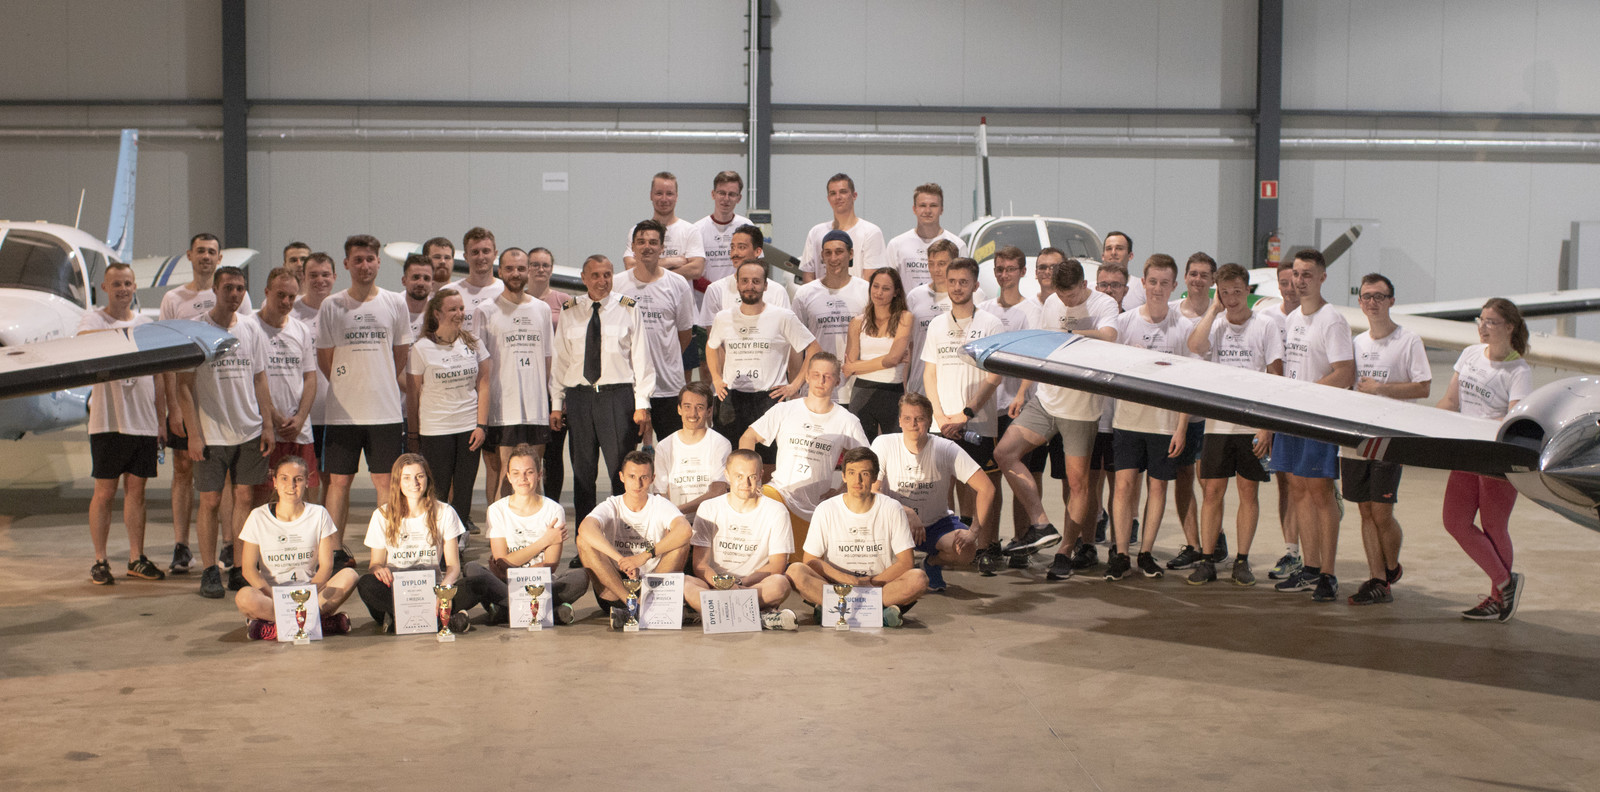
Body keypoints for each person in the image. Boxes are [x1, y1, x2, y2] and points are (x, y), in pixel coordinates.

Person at [995, 257, 1121, 580]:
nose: (1066, 300)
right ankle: (1041, 523)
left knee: (1078, 483)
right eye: (1061, 295)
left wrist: (1071, 332)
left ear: (1084, 285)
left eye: (1072, 295)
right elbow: (1042, 348)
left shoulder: (1104, 303)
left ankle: (1065, 551)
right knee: (1004, 452)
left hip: (1081, 410)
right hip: (1047, 399)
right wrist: (1023, 390)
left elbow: (1109, 336)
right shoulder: (1052, 302)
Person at [175, 266, 276, 598]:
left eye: (240, 288)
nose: (235, 294)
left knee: (245, 498)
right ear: (215, 290)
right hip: (210, 433)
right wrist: (193, 434)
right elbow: (183, 385)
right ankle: (209, 570)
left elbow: (259, 378)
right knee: (211, 500)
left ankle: (239, 568)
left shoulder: (251, 328)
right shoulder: (196, 330)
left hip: (248, 430)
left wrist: (267, 424)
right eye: (229, 287)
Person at [159, 232, 254, 575]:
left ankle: (229, 543)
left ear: (219, 257)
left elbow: (244, 346)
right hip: (189, 402)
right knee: (183, 469)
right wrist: (174, 407)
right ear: (189, 255)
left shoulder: (238, 297)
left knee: (225, 480)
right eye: (200, 251)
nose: (205, 256)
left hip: (222, 408)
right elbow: (169, 358)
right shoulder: (173, 299)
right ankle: (181, 544)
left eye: (211, 251)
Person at [1184, 263, 1283, 586]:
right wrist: (1214, 309)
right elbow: (1195, 346)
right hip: (1218, 423)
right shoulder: (1214, 324)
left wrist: (1267, 426)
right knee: (1212, 491)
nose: (1231, 298)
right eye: (1225, 293)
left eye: (1237, 291)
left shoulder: (1265, 325)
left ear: (1247, 291)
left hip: (1251, 423)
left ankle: (1242, 559)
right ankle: (1207, 559)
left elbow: (1276, 376)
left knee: (1247, 491)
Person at [317, 234, 412, 564]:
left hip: (385, 412)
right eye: (357, 259)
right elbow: (325, 358)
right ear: (346, 264)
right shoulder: (332, 305)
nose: (364, 265)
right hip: (342, 413)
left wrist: (378, 379)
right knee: (339, 482)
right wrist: (350, 382)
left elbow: (400, 354)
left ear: (378, 262)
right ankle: (334, 552)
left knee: (385, 482)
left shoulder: (395, 302)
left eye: (370, 259)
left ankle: (382, 553)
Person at [1437, 298, 1532, 622]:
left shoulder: (1519, 371)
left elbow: (1512, 421)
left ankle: (1497, 598)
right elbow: (1450, 401)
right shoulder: (1470, 354)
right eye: (1481, 320)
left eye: (1491, 322)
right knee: (1454, 521)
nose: (1483, 327)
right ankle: (1506, 582)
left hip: (1494, 458)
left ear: (1509, 327)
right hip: (1465, 452)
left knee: (1493, 527)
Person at [1102, 254, 1194, 581]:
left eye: (1164, 283)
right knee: (1124, 486)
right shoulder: (1125, 323)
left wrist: (1181, 428)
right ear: (1143, 283)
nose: (1157, 288)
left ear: (1174, 285)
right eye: (1152, 282)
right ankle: (1120, 553)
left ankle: (1146, 552)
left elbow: (1188, 383)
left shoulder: (1184, 328)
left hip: (1164, 424)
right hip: (1128, 420)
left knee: (1158, 488)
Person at [1340, 274, 1431, 604]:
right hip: (1357, 436)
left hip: (1390, 436)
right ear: (1360, 302)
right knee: (1364, 511)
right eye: (1367, 296)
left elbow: (1423, 387)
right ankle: (1378, 579)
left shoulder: (1408, 341)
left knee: (1381, 512)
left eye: (1380, 296)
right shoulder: (1356, 343)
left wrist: (1381, 389)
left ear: (1392, 301)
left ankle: (1391, 567)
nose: (1372, 302)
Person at [1271, 249, 1356, 602]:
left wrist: (1306, 393)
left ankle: (1328, 573)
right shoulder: (1292, 319)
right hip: (1292, 417)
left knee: (1320, 492)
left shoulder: (1331, 320)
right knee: (1298, 489)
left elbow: (1345, 373)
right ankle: (1309, 567)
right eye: (1296, 274)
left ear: (1322, 277)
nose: (1300, 280)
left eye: (1308, 274)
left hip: (1318, 418)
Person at [79, 262, 167, 585]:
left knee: (137, 491)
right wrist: (126, 336)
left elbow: (159, 376)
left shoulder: (147, 324)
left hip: (143, 422)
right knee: (104, 491)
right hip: (108, 421)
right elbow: (83, 342)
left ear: (134, 287)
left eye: (128, 283)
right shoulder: (94, 320)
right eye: (116, 284)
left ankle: (136, 558)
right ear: (105, 287)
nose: (123, 289)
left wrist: (161, 420)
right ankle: (100, 560)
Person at [549, 255, 655, 524]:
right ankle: (585, 536)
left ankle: (623, 532)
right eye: (595, 275)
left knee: (622, 472)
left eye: (607, 274)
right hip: (580, 398)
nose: (602, 280)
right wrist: (557, 405)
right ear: (583, 278)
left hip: (617, 398)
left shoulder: (628, 308)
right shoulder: (570, 310)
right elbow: (560, 360)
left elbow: (641, 358)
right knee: (583, 474)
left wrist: (642, 403)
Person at [741, 353, 869, 559]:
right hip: (779, 494)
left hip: (814, 508)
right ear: (807, 377)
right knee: (763, 554)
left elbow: (866, 461)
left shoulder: (847, 421)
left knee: (800, 568)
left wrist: (842, 490)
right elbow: (748, 437)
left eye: (827, 376)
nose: (821, 381)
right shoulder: (785, 410)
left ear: (837, 381)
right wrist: (752, 478)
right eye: (816, 374)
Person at [786, 447, 927, 628]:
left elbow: (906, 562)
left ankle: (834, 610)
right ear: (843, 476)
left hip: (877, 586)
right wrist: (848, 580)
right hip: (836, 585)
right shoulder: (826, 509)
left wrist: (870, 583)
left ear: (874, 477)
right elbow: (810, 560)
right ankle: (880, 614)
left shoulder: (892, 508)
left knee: (918, 579)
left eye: (864, 474)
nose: (857, 480)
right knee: (795, 571)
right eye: (852, 473)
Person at [921, 256, 1004, 556]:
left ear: (975, 285)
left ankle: (986, 547)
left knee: (980, 486)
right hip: (942, 423)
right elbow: (929, 373)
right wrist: (939, 416)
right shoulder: (936, 325)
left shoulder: (991, 323)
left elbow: (995, 375)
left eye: (964, 282)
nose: (957, 287)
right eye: (952, 282)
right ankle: (949, 546)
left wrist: (966, 414)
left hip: (977, 422)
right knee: (941, 487)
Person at [871, 393, 991, 592]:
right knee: (899, 573)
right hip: (895, 523)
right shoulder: (884, 444)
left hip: (935, 523)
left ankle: (931, 563)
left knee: (966, 551)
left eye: (919, 418)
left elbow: (986, 488)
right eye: (907, 418)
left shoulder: (946, 448)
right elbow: (872, 492)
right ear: (899, 421)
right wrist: (906, 511)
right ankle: (896, 563)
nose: (913, 424)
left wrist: (974, 531)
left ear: (929, 421)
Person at [355, 454, 484, 633]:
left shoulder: (445, 512)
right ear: (397, 482)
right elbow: (375, 564)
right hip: (396, 592)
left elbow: (453, 566)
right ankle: (442, 619)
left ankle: (399, 619)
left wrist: (444, 590)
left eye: (419, 476)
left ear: (428, 479)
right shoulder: (382, 515)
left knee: (477, 584)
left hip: (432, 589)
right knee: (366, 584)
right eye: (406, 478)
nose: (414, 483)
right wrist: (378, 570)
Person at [235, 456, 358, 640]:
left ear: (307, 482)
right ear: (275, 482)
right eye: (284, 478)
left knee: (350, 576)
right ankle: (319, 623)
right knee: (244, 597)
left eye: (298, 479)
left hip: (310, 593)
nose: (291, 485)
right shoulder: (258, 516)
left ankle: (273, 626)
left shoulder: (319, 514)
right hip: (272, 596)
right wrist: (276, 597)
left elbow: (326, 566)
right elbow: (249, 569)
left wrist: (306, 596)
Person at [705, 258, 818, 455]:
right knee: (730, 459)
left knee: (768, 461)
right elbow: (711, 346)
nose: (750, 286)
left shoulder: (783, 316)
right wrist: (716, 378)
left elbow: (815, 349)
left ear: (765, 285)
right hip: (731, 397)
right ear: (737, 284)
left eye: (756, 281)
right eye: (745, 281)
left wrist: (795, 385)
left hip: (769, 398)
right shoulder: (723, 317)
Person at [575, 450, 693, 629]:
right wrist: (620, 560)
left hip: (651, 585)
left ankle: (643, 604)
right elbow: (585, 528)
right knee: (583, 541)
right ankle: (634, 606)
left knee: (681, 543)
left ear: (652, 478)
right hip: (616, 589)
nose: (638, 483)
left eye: (643, 477)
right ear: (621, 477)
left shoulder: (660, 504)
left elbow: (685, 530)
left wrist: (643, 557)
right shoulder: (612, 504)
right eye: (632, 476)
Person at [475, 247, 554, 511]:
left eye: (521, 268)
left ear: (528, 271)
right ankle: (499, 530)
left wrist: (549, 400)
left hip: (535, 408)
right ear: (500, 271)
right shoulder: (485, 311)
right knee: (503, 474)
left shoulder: (542, 309)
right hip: (502, 408)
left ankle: (536, 528)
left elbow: (548, 357)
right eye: (509, 268)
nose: (516, 273)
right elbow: (480, 364)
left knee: (534, 472)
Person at [407, 288, 491, 536]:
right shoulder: (421, 348)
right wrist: (413, 433)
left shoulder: (473, 342)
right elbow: (413, 394)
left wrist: (481, 425)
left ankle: (460, 535)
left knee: (464, 487)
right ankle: (438, 536)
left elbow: (484, 383)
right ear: (437, 313)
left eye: (461, 308)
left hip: (468, 427)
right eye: (452, 309)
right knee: (439, 488)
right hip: (436, 429)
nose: (459, 313)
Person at [683, 449, 798, 630]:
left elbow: (777, 566)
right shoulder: (709, 508)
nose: (746, 483)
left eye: (752, 476)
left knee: (780, 584)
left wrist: (738, 585)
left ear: (760, 475)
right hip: (714, 585)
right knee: (685, 584)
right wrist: (722, 585)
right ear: (727, 475)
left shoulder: (777, 511)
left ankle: (716, 613)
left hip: (752, 586)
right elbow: (700, 565)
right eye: (739, 476)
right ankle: (758, 617)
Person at [475, 444, 587, 625]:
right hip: (506, 584)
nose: (523, 478)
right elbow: (502, 561)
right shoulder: (497, 510)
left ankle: (504, 610)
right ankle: (551, 611)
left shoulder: (554, 510)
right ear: (508, 476)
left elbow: (550, 566)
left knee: (581, 576)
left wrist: (510, 571)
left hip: (540, 582)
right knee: (472, 570)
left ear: (539, 474)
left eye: (529, 472)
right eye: (516, 473)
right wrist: (545, 541)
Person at [979, 247, 1042, 539]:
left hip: (1019, 407)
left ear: (1022, 272)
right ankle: (991, 543)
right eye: (1000, 269)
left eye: (1011, 269)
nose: (1004, 274)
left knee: (1018, 477)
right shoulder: (984, 309)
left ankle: (1021, 540)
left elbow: (1035, 358)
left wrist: (1021, 394)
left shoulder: (1032, 311)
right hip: (988, 407)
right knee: (989, 479)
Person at [614, 219, 695, 442]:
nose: (646, 247)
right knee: (627, 451)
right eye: (641, 242)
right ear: (633, 247)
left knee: (672, 449)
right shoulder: (617, 285)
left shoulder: (678, 284)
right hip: (628, 386)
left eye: (652, 242)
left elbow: (684, 334)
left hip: (668, 385)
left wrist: (665, 356)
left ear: (662, 248)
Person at [1162, 253, 1218, 572]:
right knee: (1183, 478)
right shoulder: (1170, 313)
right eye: (1193, 273)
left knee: (1209, 481)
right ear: (1185, 278)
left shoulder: (1220, 315)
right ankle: (1194, 545)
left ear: (1213, 280)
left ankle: (1214, 537)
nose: (1197, 279)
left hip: (1211, 413)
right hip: (1180, 413)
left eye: (1204, 275)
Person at [252, 267, 320, 523]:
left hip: (298, 428)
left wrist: (300, 417)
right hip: (266, 428)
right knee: (264, 493)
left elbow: (310, 378)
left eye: (291, 297)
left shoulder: (300, 330)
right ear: (267, 292)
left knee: (307, 489)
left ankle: (306, 540)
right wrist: (274, 417)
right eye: (280, 295)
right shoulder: (251, 326)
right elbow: (253, 380)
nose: (286, 302)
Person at [1257, 263, 1303, 581]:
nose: (1289, 288)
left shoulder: (1319, 318)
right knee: (1285, 483)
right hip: (1278, 411)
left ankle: (1313, 558)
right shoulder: (1268, 317)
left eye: (1294, 281)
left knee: (1309, 486)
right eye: (1283, 282)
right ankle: (1292, 552)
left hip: (1308, 413)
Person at [792, 229, 870, 405]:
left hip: (856, 389)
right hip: (816, 388)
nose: (833, 258)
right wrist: (795, 388)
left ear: (851, 254)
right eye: (828, 253)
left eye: (839, 252)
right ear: (822, 256)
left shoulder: (866, 291)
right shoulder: (805, 294)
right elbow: (796, 346)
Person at [1085, 260, 1130, 553]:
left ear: (1125, 289)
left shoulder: (1132, 322)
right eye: (1103, 285)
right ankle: (1087, 544)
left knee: (1121, 486)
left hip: (1123, 419)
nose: (1109, 290)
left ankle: (1118, 545)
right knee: (1090, 484)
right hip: (1091, 415)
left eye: (1115, 285)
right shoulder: (1088, 323)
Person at [695, 224, 792, 345]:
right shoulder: (715, 289)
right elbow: (713, 342)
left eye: (741, 247)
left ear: (757, 251)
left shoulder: (777, 291)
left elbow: (787, 336)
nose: (735, 253)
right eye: (732, 247)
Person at [845, 267, 913, 440]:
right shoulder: (857, 322)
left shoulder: (905, 318)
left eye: (886, 288)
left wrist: (858, 366)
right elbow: (848, 368)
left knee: (894, 448)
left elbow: (893, 358)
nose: (879, 292)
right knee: (861, 449)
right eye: (875, 286)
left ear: (896, 292)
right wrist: (889, 360)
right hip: (861, 392)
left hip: (893, 393)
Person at [291, 252, 337, 505]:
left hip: (335, 411)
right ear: (304, 277)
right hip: (302, 412)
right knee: (302, 476)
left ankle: (325, 525)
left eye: (325, 274)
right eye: (314, 275)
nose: (320, 280)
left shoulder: (341, 308)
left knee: (332, 477)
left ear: (335, 277)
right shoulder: (291, 312)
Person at [653, 383, 732, 520]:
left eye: (699, 407)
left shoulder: (721, 444)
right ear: (679, 409)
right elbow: (660, 493)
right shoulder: (664, 446)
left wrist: (676, 511)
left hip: (711, 521)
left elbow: (718, 491)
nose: (693, 414)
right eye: (687, 406)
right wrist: (672, 519)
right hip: (677, 522)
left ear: (709, 411)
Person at [527, 247, 568, 505]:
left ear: (552, 269)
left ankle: (551, 505)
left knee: (553, 453)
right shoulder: (518, 301)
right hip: (528, 387)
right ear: (527, 268)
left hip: (556, 388)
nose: (540, 269)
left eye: (545, 265)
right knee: (529, 453)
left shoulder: (564, 301)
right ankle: (530, 502)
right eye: (535, 264)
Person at [798, 173, 887, 283]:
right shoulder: (815, 233)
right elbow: (808, 276)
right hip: (821, 294)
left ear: (854, 196)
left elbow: (871, 281)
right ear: (828, 199)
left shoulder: (871, 232)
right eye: (833, 193)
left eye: (843, 192)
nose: (838, 197)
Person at [620, 171, 707, 278]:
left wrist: (649, 271)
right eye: (659, 193)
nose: (664, 199)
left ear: (676, 197)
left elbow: (696, 270)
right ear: (651, 195)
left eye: (669, 194)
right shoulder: (637, 231)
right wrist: (670, 261)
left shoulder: (690, 231)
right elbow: (630, 266)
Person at [885, 183, 965, 291]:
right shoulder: (896, 245)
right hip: (907, 302)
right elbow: (887, 285)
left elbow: (965, 283)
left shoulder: (958, 245)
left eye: (933, 205)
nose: (927, 211)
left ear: (941, 210)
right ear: (914, 209)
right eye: (922, 205)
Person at [693, 171, 754, 287]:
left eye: (732, 194)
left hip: (739, 295)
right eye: (722, 193)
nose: (726, 199)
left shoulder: (747, 226)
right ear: (713, 194)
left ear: (739, 198)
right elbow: (693, 272)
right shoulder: (697, 229)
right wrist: (715, 291)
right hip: (705, 296)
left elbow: (755, 265)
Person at [447, 227, 503, 336]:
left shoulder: (507, 291)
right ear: (465, 257)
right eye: (475, 252)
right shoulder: (448, 292)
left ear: (495, 254)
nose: (481, 257)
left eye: (486, 251)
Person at [1103, 231, 1142, 310]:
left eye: (1119, 248)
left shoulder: (1143, 288)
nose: (1113, 253)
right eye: (1109, 249)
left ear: (1130, 256)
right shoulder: (1090, 289)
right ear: (1103, 256)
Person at [401, 253, 435, 340]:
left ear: (432, 284)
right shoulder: (392, 309)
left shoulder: (439, 313)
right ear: (404, 281)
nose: (421, 283)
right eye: (416, 277)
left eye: (426, 278)